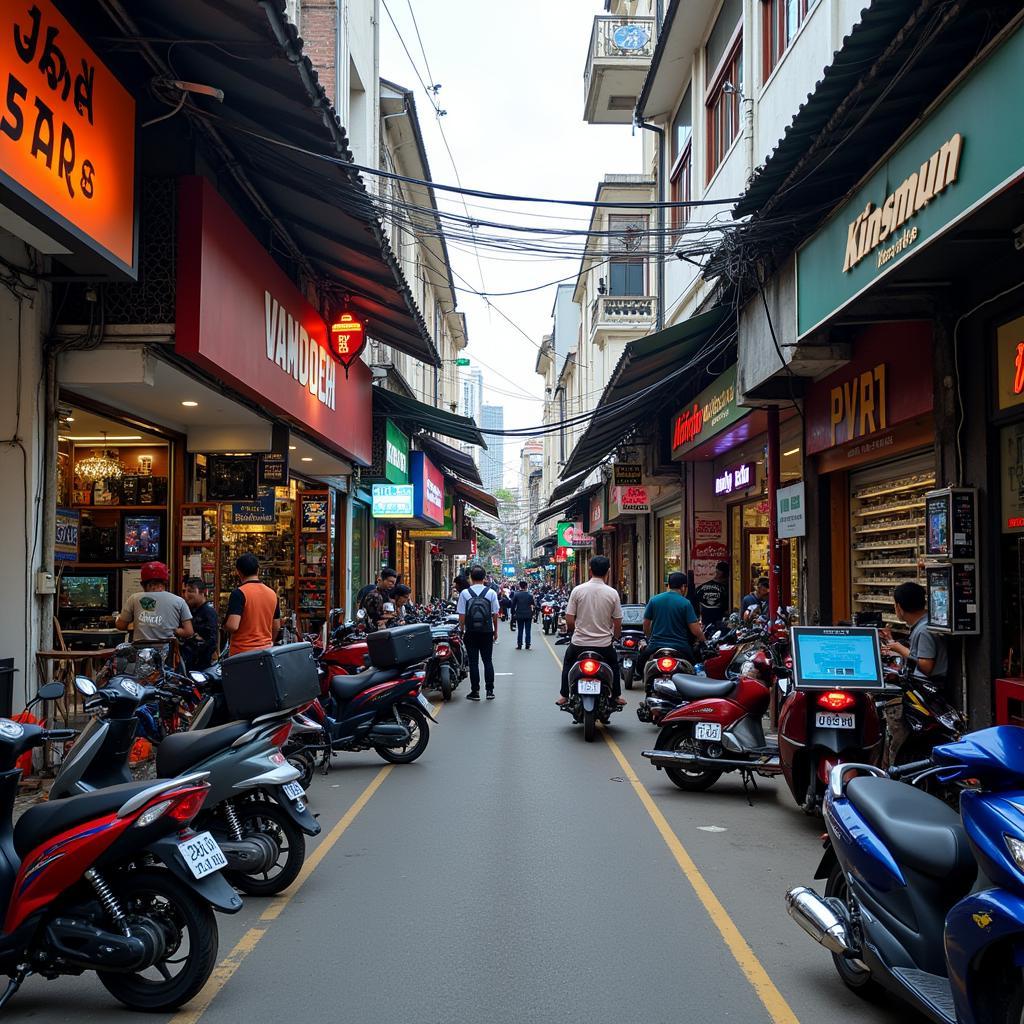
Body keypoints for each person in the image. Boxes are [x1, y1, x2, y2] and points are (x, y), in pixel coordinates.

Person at [557, 555, 625, 707]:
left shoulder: (578, 590)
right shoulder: (612, 593)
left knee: (568, 663)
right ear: (608, 571)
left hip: (579, 643)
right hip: (604, 645)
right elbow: (618, 621)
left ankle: (564, 695)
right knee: (614, 665)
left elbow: (569, 618)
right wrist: (616, 637)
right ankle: (616, 695)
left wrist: (573, 632)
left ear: (590, 570)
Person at [116, 562, 193, 663]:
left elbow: (121, 625)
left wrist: (118, 619)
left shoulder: (134, 598)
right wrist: (174, 630)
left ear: (143, 584)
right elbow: (189, 632)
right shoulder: (179, 601)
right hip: (168, 657)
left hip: (141, 658)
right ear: (165, 582)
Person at [639, 572, 705, 676]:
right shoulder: (685, 603)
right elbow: (695, 630)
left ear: (669, 585)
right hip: (681, 646)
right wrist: (703, 640)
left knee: (641, 664)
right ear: (683, 587)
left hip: (655, 645)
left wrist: (649, 637)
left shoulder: (654, 600)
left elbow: (646, 624)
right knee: (694, 670)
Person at [881, 581, 948, 685]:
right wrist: (890, 640)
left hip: (929, 688)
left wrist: (901, 650)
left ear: (899, 607)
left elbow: (926, 666)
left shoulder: (924, 630)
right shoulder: (925, 623)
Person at [223, 554, 282, 657]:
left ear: (238, 572)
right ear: (258, 570)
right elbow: (276, 626)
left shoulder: (239, 593)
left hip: (241, 653)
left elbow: (233, 625)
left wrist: (224, 625)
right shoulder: (272, 594)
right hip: (265, 652)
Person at [457, 565, 499, 700]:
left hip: (471, 632)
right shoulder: (491, 593)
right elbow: (495, 614)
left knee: (473, 663)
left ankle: (475, 691)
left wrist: (462, 630)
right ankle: (490, 691)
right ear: (485, 578)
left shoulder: (465, 593)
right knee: (488, 661)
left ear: (471, 578)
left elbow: (462, 615)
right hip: (487, 631)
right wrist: (495, 631)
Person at [182, 577, 218, 671]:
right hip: (188, 663)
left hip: (203, 666)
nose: (186, 595)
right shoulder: (188, 610)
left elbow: (212, 641)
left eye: (190, 591)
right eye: (184, 591)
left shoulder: (208, 612)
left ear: (202, 592)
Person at [695, 562, 730, 633]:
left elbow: (696, 604)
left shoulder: (700, 588)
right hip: (719, 624)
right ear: (724, 574)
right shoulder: (725, 589)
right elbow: (727, 609)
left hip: (705, 624)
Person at [510, 580, 536, 650]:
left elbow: (513, 605)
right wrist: (532, 613)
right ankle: (528, 644)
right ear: (526, 586)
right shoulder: (530, 595)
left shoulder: (516, 595)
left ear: (520, 586)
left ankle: (519, 644)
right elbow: (534, 605)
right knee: (528, 630)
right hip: (528, 615)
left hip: (519, 614)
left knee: (520, 630)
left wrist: (513, 613)